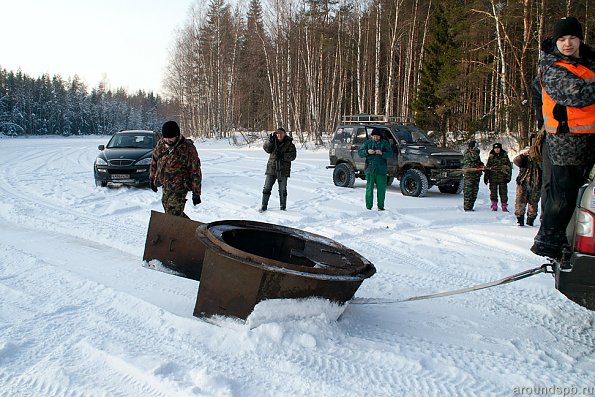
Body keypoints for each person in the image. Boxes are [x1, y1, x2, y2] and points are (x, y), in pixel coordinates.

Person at [531, 16, 595, 259]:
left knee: (582, 195)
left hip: (589, 138)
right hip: (566, 141)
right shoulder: (553, 67)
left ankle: (571, 239)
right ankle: (549, 242)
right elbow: (577, 94)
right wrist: (546, 123)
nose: (567, 43)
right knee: (562, 196)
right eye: (562, 39)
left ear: (580, 39)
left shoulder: (588, 61)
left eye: (572, 38)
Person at [149, 121, 202, 218]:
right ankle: (191, 228)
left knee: (173, 213)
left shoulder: (187, 148)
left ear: (177, 135)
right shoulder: (161, 144)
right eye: (166, 137)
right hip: (165, 184)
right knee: (168, 209)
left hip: (180, 186)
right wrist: (152, 178)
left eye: (170, 138)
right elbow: (154, 161)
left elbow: (195, 171)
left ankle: (188, 231)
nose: (168, 140)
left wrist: (196, 193)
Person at [259, 127, 297, 212]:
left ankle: (283, 207)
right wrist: (270, 141)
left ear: (284, 134)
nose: (278, 135)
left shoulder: (289, 144)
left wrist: (283, 156)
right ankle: (264, 206)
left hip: (283, 170)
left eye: (280, 133)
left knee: (283, 189)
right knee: (266, 188)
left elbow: (293, 156)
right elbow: (267, 149)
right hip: (271, 169)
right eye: (277, 133)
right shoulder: (272, 141)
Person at [358, 128, 393, 210]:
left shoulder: (385, 143)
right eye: (374, 136)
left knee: (381, 189)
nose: (375, 138)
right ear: (372, 136)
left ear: (380, 136)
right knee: (369, 189)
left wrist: (382, 153)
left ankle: (381, 207)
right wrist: (367, 152)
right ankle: (368, 207)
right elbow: (360, 152)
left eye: (377, 136)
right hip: (370, 170)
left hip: (381, 170)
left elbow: (390, 154)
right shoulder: (368, 143)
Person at [513, 134, 542, 226]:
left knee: (533, 204)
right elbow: (516, 161)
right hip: (523, 182)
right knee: (520, 202)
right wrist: (523, 155)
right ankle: (519, 220)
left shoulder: (541, 156)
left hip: (536, 184)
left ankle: (530, 221)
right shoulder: (525, 156)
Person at [483, 143, 512, 211]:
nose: (497, 150)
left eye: (498, 148)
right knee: (493, 193)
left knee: (503, 193)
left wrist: (508, 177)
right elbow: (488, 168)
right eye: (495, 148)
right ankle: (494, 205)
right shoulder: (491, 156)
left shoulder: (504, 156)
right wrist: (486, 177)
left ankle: (504, 206)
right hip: (493, 178)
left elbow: (509, 168)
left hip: (503, 178)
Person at [462, 140, 483, 211]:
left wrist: (481, 165)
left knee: (474, 192)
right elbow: (473, 158)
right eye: (475, 146)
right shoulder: (468, 153)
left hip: (476, 176)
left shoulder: (476, 153)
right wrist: (475, 150)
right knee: (468, 192)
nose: (477, 148)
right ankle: (467, 208)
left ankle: (471, 206)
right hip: (469, 176)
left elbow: (478, 162)